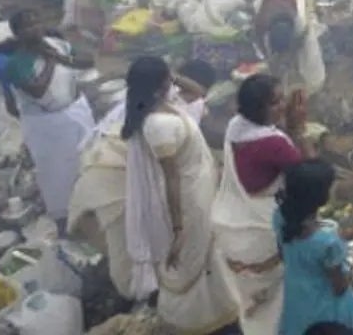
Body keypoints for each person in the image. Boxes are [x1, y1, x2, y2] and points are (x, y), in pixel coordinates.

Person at [67, 57, 239, 334]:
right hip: (166, 194)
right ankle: (188, 316)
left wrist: (168, 75)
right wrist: (179, 226)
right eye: (169, 80)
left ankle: (212, 303)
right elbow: (170, 179)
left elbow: (199, 93)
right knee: (182, 257)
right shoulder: (158, 123)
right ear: (160, 86)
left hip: (188, 189)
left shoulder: (166, 105)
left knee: (202, 254)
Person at [211, 73, 316, 335]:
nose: (283, 105)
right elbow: (311, 177)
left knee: (255, 299)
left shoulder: (237, 125)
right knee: (277, 302)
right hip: (264, 227)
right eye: (276, 102)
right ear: (258, 109)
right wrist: (298, 128)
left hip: (233, 220)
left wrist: (285, 122)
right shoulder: (275, 144)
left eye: (282, 99)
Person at [0, 10, 96, 229]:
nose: (35, 28)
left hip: (74, 114)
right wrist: (51, 61)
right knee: (57, 174)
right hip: (47, 126)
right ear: (18, 33)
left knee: (86, 163)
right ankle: (65, 220)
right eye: (27, 26)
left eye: (37, 21)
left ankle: (88, 205)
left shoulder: (55, 44)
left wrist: (61, 57)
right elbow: (38, 90)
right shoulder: (17, 63)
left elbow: (87, 61)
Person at [273, 159, 353, 335]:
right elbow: (339, 288)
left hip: (297, 290)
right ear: (321, 195)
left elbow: (282, 255)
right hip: (326, 304)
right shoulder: (327, 242)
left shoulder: (279, 216)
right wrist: (350, 267)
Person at [254, 0, 326, 94]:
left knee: (310, 45)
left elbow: (302, 40)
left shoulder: (301, 22)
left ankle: (315, 85)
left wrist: (291, 55)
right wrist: (270, 60)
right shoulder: (261, 20)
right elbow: (260, 43)